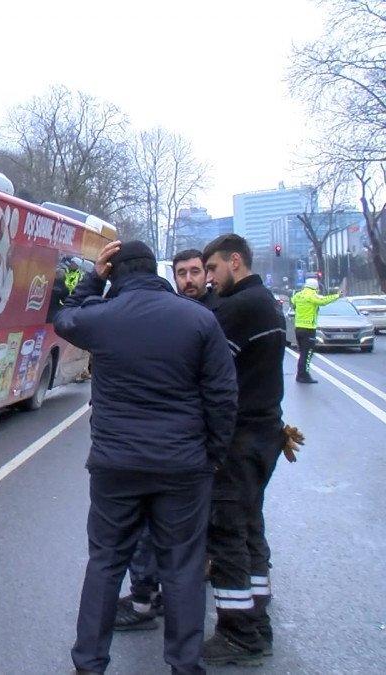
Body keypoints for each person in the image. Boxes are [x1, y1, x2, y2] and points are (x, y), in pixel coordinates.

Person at [55, 240, 238, 674]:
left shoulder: (102, 317)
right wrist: (211, 453)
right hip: (183, 466)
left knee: (105, 563)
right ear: (155, 270)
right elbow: (222, 396)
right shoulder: (199, 319)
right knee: (182, 569)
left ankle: (89, 664)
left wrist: (94, 279)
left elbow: (64, 317)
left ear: (115, 272)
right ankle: (184, 665)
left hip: (115, 465)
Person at [112, 247, 218, 632]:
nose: (188, 280)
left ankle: (155, 604)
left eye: (195, 272)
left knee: (180, 532)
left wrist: (216, 446)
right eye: (182, 273)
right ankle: (149, 596)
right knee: (154, 528)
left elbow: (225, 391)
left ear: (207, 274)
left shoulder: (214, 315)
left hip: (195, 446)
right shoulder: (178, 313)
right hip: (183, 445)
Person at [200, 234, 287, 666]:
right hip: (265, 432)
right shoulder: (266, 301)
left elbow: (210, 374)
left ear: (235, 261)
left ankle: (238, 635)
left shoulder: (237, 309)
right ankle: (257, 623)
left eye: (213, 268)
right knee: (250, 527)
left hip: (238, 438)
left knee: (227, 533)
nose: (209, 279)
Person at [289, 277, 340, 384]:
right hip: (309, 329)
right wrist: (337, 296)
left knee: (302, 353)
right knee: (307, 353)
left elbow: (292, 302)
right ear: (315, 287)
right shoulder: (311, 295)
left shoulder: (298, 295)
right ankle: (304, 376)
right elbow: (323, 301)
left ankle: (300, 374)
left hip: (298, 328)